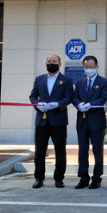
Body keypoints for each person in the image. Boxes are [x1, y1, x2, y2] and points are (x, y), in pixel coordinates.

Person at [29, 54, 74, 189]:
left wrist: (58, 104)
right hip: (42, 120)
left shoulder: (66, 80)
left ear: (60, 64)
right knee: (40, 151)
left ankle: (59, 178)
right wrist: (37, 104)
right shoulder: (39, 79)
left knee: (60, 150)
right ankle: (39, 178)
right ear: (46, 64)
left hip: (58, 120)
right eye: (49, 61)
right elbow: (32, 96)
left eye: (54, 61)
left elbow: (69, 97)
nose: (51, 63)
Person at [71, 55, 107, 190]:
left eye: (91, 67)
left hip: (96, 120)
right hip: (82, 120)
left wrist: (89, 105)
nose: (89, 69)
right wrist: (79, 104)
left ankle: (97, 178)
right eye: (86, 67)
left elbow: (103, 98)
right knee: (82, 150)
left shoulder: (104, 82)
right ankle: (83, 177)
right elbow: (74, 97)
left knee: (97, 150)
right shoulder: (80, 82)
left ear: (97, 67)